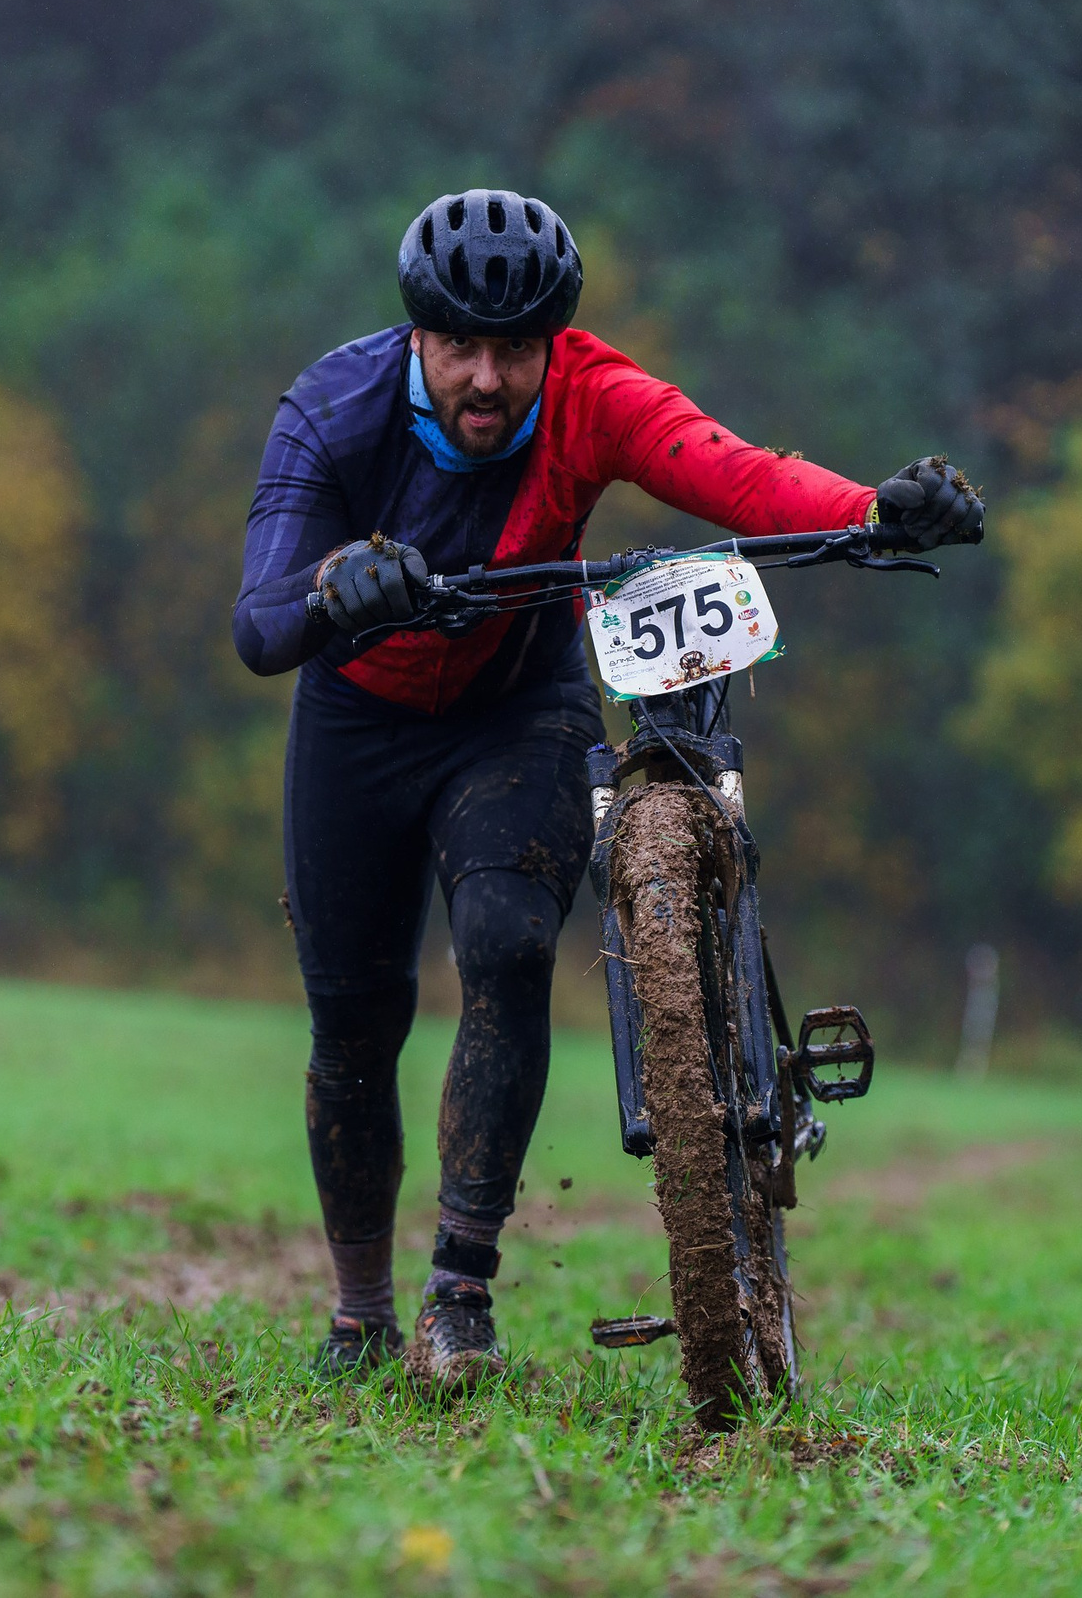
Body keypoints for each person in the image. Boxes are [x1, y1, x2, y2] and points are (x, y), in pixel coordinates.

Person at [230, 188, 983, 1387]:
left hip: (515, 710)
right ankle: (358, 1313)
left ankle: (458, 1295)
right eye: (461, 347)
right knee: (354, 1030)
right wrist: (338, 588)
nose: (488, 378)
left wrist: (873, 513)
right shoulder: (333, 409)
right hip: (357, 725)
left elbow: (730, 473)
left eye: (516, 349)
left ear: (552, 343)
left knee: (508, 942)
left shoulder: (591, 394)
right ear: (415, 336)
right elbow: (260, 622)